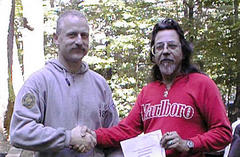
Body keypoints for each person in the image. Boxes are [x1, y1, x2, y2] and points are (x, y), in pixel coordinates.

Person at [77, 18, 232, 157]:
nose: (165, 51)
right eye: (159, 47)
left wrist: (188, 144)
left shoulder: (202, 84)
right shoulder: (148, 92)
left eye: (172, 46)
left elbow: (224, 133)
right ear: (154, 54)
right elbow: (125, 131)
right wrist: (93, 135)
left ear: (183, 52)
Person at [10, 10, 123, 157]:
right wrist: (67, 138)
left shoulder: (100, 84)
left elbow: (113, 136)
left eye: (84, 35)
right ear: (56, 38)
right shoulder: (39, 82)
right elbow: (20, 131)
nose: (79, 41)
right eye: (72, 35)